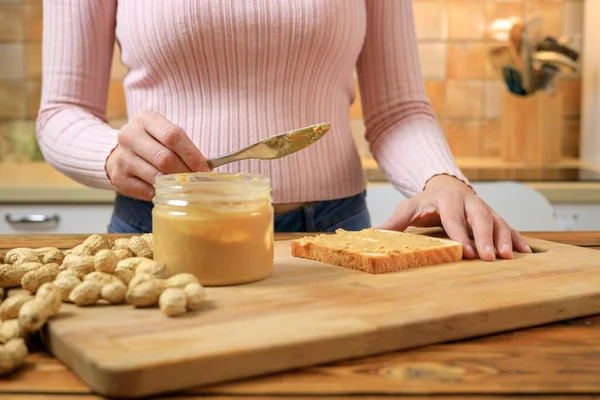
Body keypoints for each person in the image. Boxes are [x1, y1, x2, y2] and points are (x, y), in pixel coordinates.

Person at [36, 0, 531, 262]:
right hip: (159, 231)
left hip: (335, 236)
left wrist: (440, 178)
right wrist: (111, 155)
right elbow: (61, 111)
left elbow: (397, 109)